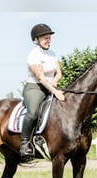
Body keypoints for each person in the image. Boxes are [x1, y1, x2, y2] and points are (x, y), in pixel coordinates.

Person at [20, 23, 65, 161]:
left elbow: (59, 73)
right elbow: (40, 77)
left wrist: (55, 81)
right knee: (33, 113)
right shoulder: (34, 55)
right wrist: (55, 91)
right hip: (35, 87)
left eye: (49, 37)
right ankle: (25, 144)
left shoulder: (52, 53)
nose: (48, 40)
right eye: (45, 37)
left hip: (50, 86)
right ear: (36, 39)